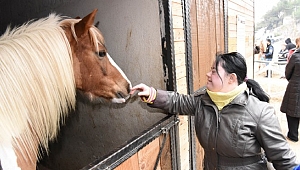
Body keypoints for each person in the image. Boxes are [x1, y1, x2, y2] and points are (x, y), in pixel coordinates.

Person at [131, 52, 299, 170]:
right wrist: (152, 94)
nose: (208, 74)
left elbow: (283, 157)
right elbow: (179, 101)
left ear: (231, 78)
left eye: (214, 70)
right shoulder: (204, 101)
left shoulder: (260, 112)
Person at [280, 37, 300, 143]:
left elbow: (288, 72)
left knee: (292, 111)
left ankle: (293, 134)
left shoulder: (295, 56)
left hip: (295, 86)